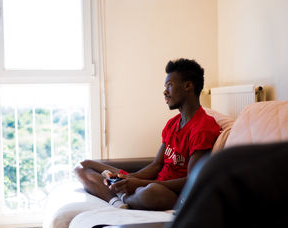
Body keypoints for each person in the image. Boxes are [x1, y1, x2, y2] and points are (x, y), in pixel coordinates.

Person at [74, 58, 220, 210]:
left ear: (188, 86)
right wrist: (127, 178)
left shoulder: (204, 128)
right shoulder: (173, 123)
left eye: (169, 85)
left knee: (151, 193)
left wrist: (139, 184)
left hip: (171, 193)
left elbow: (192, 181)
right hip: (150, 184)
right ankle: (119, 200)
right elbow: (156, 165)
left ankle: (122, 196)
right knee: (83, 166)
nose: (165, 92)